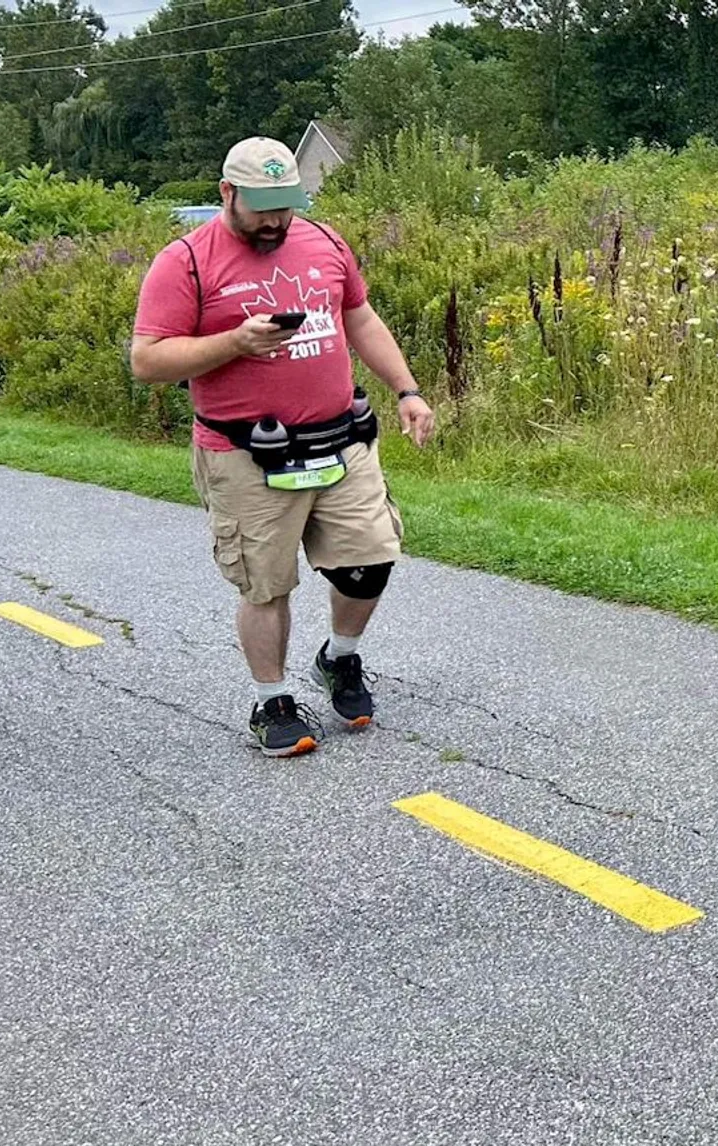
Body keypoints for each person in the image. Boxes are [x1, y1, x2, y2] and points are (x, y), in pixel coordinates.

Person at [129, 136, 437, 757]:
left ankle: (340, 658)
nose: (276, 220)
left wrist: (406, 390)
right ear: (228, 194)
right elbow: (148, 360)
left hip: (341, 438)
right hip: (245, 453)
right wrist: (233, 344)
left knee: (370, 561)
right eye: (264, 207)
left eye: (286, 206)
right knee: (266, 587)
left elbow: (360, 318)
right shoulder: (184, 262)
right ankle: (272, 701)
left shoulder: (323, 242)